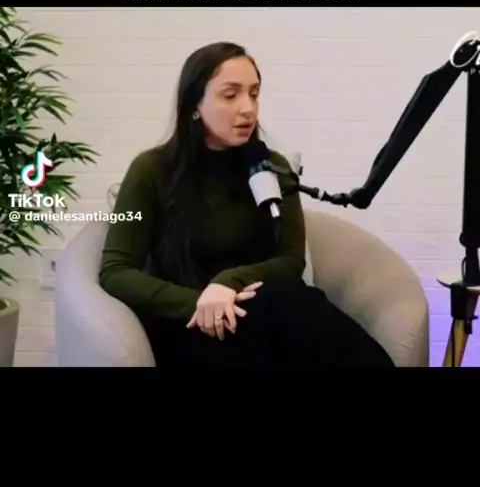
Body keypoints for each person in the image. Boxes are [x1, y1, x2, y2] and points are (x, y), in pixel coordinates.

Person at [99, 41, 395, 367]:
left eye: (254, 94)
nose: (248, 109)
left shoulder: (270, 166)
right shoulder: (151, 170)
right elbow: (116, 271)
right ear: (194, 104)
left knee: (290, 299)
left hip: (267, 316)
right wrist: (201, 303)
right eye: (230, 95)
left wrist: (228, 282)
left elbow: (291, 260)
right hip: (192, 327)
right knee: (290, 303)